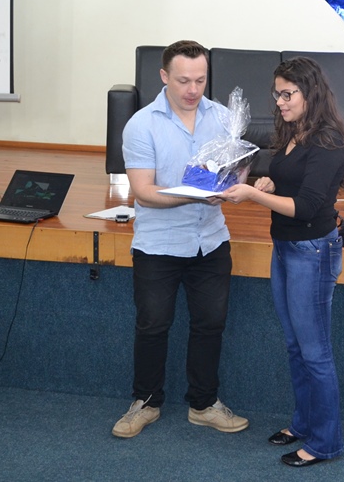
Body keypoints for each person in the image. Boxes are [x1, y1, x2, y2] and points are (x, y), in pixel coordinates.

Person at [220, 57, 344, 467]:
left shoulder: (328, 142)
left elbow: (308, 205)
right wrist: (269, 181)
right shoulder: (295, 131)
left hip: (312, 251)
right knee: (296, 347)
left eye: (287, 94)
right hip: (285, 247)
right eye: (276, 94)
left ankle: (326, 442)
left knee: (315, 352)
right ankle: (304, 424)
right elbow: (292, 181)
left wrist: (253, 194)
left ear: (309, 94)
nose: (279, 102)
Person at [112, 40, 249, 438]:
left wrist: (236, 181)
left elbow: (236, 172)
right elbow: (144, 192)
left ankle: (204, 404)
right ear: (164, 76)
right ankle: (145, 402)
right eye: (184, 80)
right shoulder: (142, 125)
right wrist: (197, 193)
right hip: (159, 244)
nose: (193, 89)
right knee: (153, 325)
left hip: (211, 239)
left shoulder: (224, 118)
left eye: (200, 80)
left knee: (211, 325)